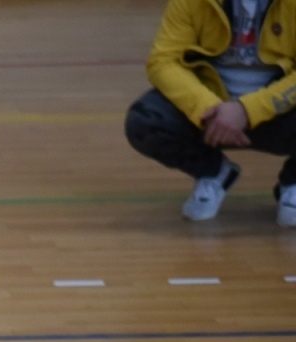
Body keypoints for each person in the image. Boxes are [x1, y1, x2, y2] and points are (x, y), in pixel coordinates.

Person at [124, 0, 296, 225]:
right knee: (145, 121)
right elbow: (163, 61)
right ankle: (214, 172)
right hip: (211, 116)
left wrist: (247, 110)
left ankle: (293, 182)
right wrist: (209, 108)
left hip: (278, 112)